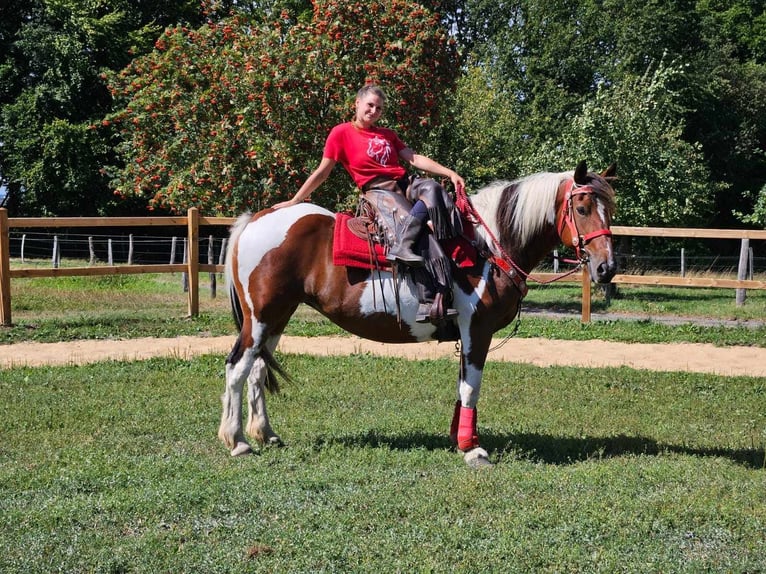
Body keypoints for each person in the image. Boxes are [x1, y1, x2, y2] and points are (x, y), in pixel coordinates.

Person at [272, 84, 465, 324]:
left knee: (434, 189)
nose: (374, 111)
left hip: (404, 183)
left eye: (379, 108)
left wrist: (450, 173)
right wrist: (295, 200)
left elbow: (414, 158)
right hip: (379, 191)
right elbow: (323, 172)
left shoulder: (387, 134)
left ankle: (404, 243)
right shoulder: (341, 133)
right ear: (357, 104)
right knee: (421, 234)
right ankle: (429, 300)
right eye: (370, 105)